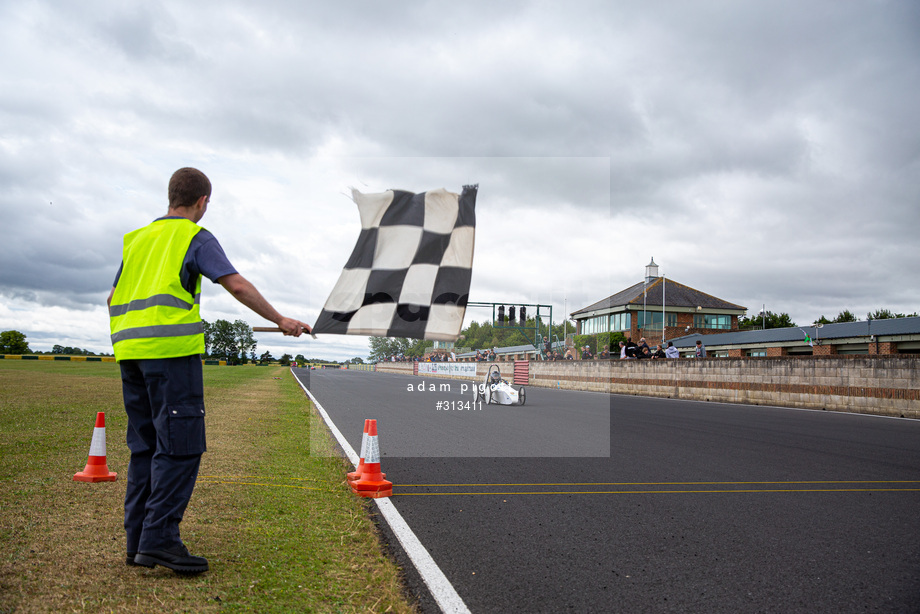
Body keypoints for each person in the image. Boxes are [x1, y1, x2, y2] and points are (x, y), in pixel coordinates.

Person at [108, 168, 311, 574]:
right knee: (180, 446)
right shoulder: (194, 236)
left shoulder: (137, 239)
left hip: (129, 353)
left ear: (171, 197)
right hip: (172, 352)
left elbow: (113, 295)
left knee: (145, 447)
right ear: (203, 202)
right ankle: (160, 540)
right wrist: (281, 319)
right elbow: (234, 284)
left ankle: (138, 543)